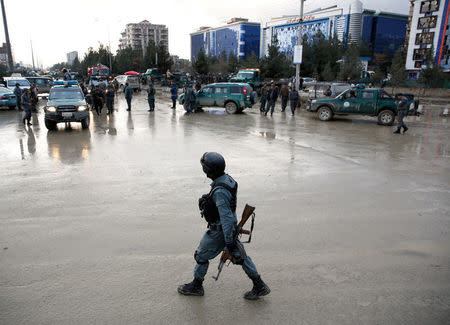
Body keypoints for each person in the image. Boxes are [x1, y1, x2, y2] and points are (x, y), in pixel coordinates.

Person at [178, 152, 270, 300]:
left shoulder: (219, 191)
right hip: (229, 228)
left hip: (220, 231)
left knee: (201, 255)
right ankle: (259, 285)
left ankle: (196, 286)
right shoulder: (228, 180)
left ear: (208, 171)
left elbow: (225, 217)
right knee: (241, 257)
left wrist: (229, 240)